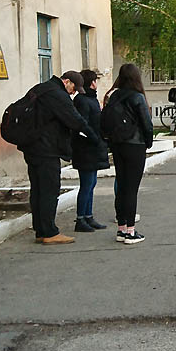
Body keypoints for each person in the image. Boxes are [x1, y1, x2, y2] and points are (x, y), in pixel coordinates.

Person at [16, 71, 101, 244]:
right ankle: (49, 232)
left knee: (38, 190)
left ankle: (40, 229)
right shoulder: (57, 94)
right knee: (49, 190)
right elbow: (76, 120)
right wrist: (95, 139)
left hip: (32, 147)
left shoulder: (40, 89)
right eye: (73, 88)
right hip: (46, 149)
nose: (73, 92)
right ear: (66, 81)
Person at [103, 63, 154, 245]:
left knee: (122, 186)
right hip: (135, 145)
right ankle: (131, 232)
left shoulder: (114, 95)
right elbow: (147, 123)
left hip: (117, 144)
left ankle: (121, 229)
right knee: (132, 189)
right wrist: (149, 141)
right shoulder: (137, 97)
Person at [71, 69, 110, 231]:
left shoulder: (91, 100)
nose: (96, 84)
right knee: (86, 184)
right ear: (87, 83)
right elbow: (82, 125)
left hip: (94, 148)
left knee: (92, 183)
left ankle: (88, 216)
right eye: (93, 81)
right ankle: (81, 218)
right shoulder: (81, 101)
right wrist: (94, 138)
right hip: (85, 149)